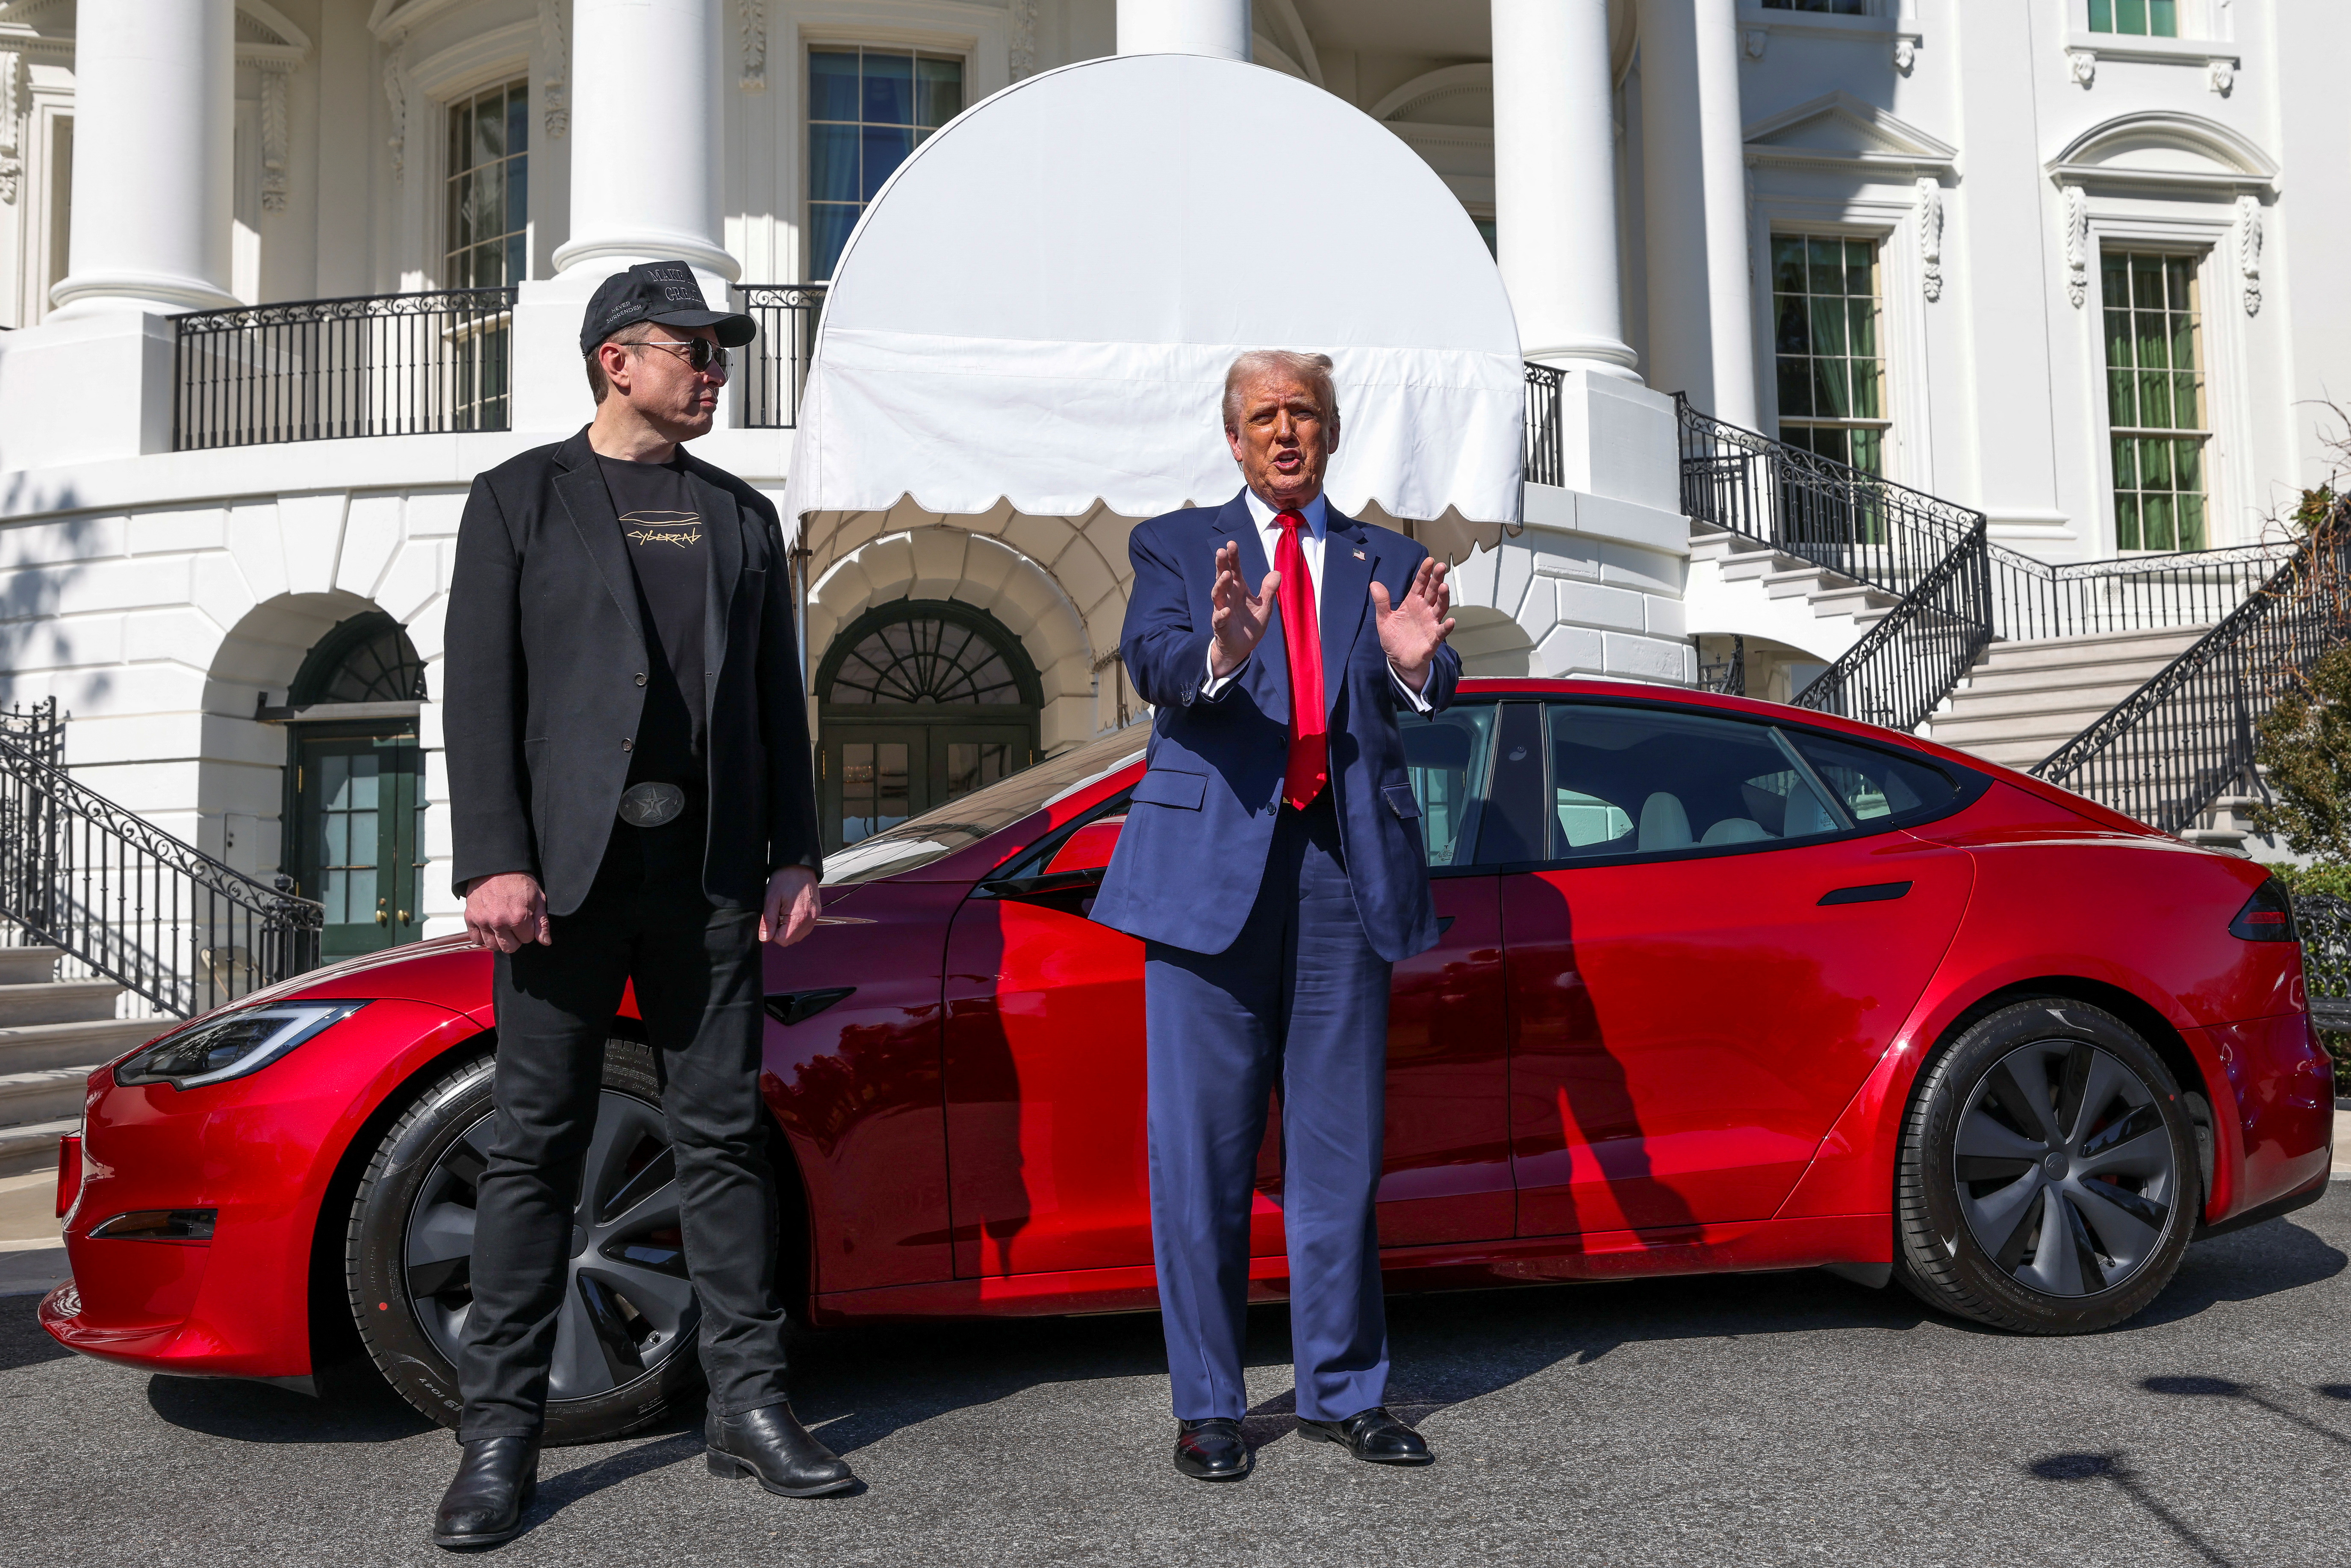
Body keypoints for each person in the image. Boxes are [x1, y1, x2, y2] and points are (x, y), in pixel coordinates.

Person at [434, 262, 850, 1549]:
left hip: (712, 870)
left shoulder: (734, 513)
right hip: (563, 879)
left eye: (719, 350)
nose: (717, 366)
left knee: (720, 1136)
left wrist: (797, 850)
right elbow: (480, 691)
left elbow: (778, 700)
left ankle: (747, 1402)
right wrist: (492, 856)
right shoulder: (519, 498)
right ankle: (500, 1430)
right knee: (533, 1144)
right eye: (694, 348)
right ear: (618, 357)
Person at [1091, 349, 1461, 1481]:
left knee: (1338, 1155)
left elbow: (1432, 682)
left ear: (1331, 433)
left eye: (1304, 412)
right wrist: (1219, 649)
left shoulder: (1384, 556)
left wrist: (1408, 669)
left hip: (1343, 879)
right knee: (1198, 1159)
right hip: (1209, 880)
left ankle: (1342, 1390)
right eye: (1264, 416)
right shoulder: (1174, 543)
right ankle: (1208, 1405)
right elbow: (1152, 660)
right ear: (1234, 437)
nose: (1285, 431)